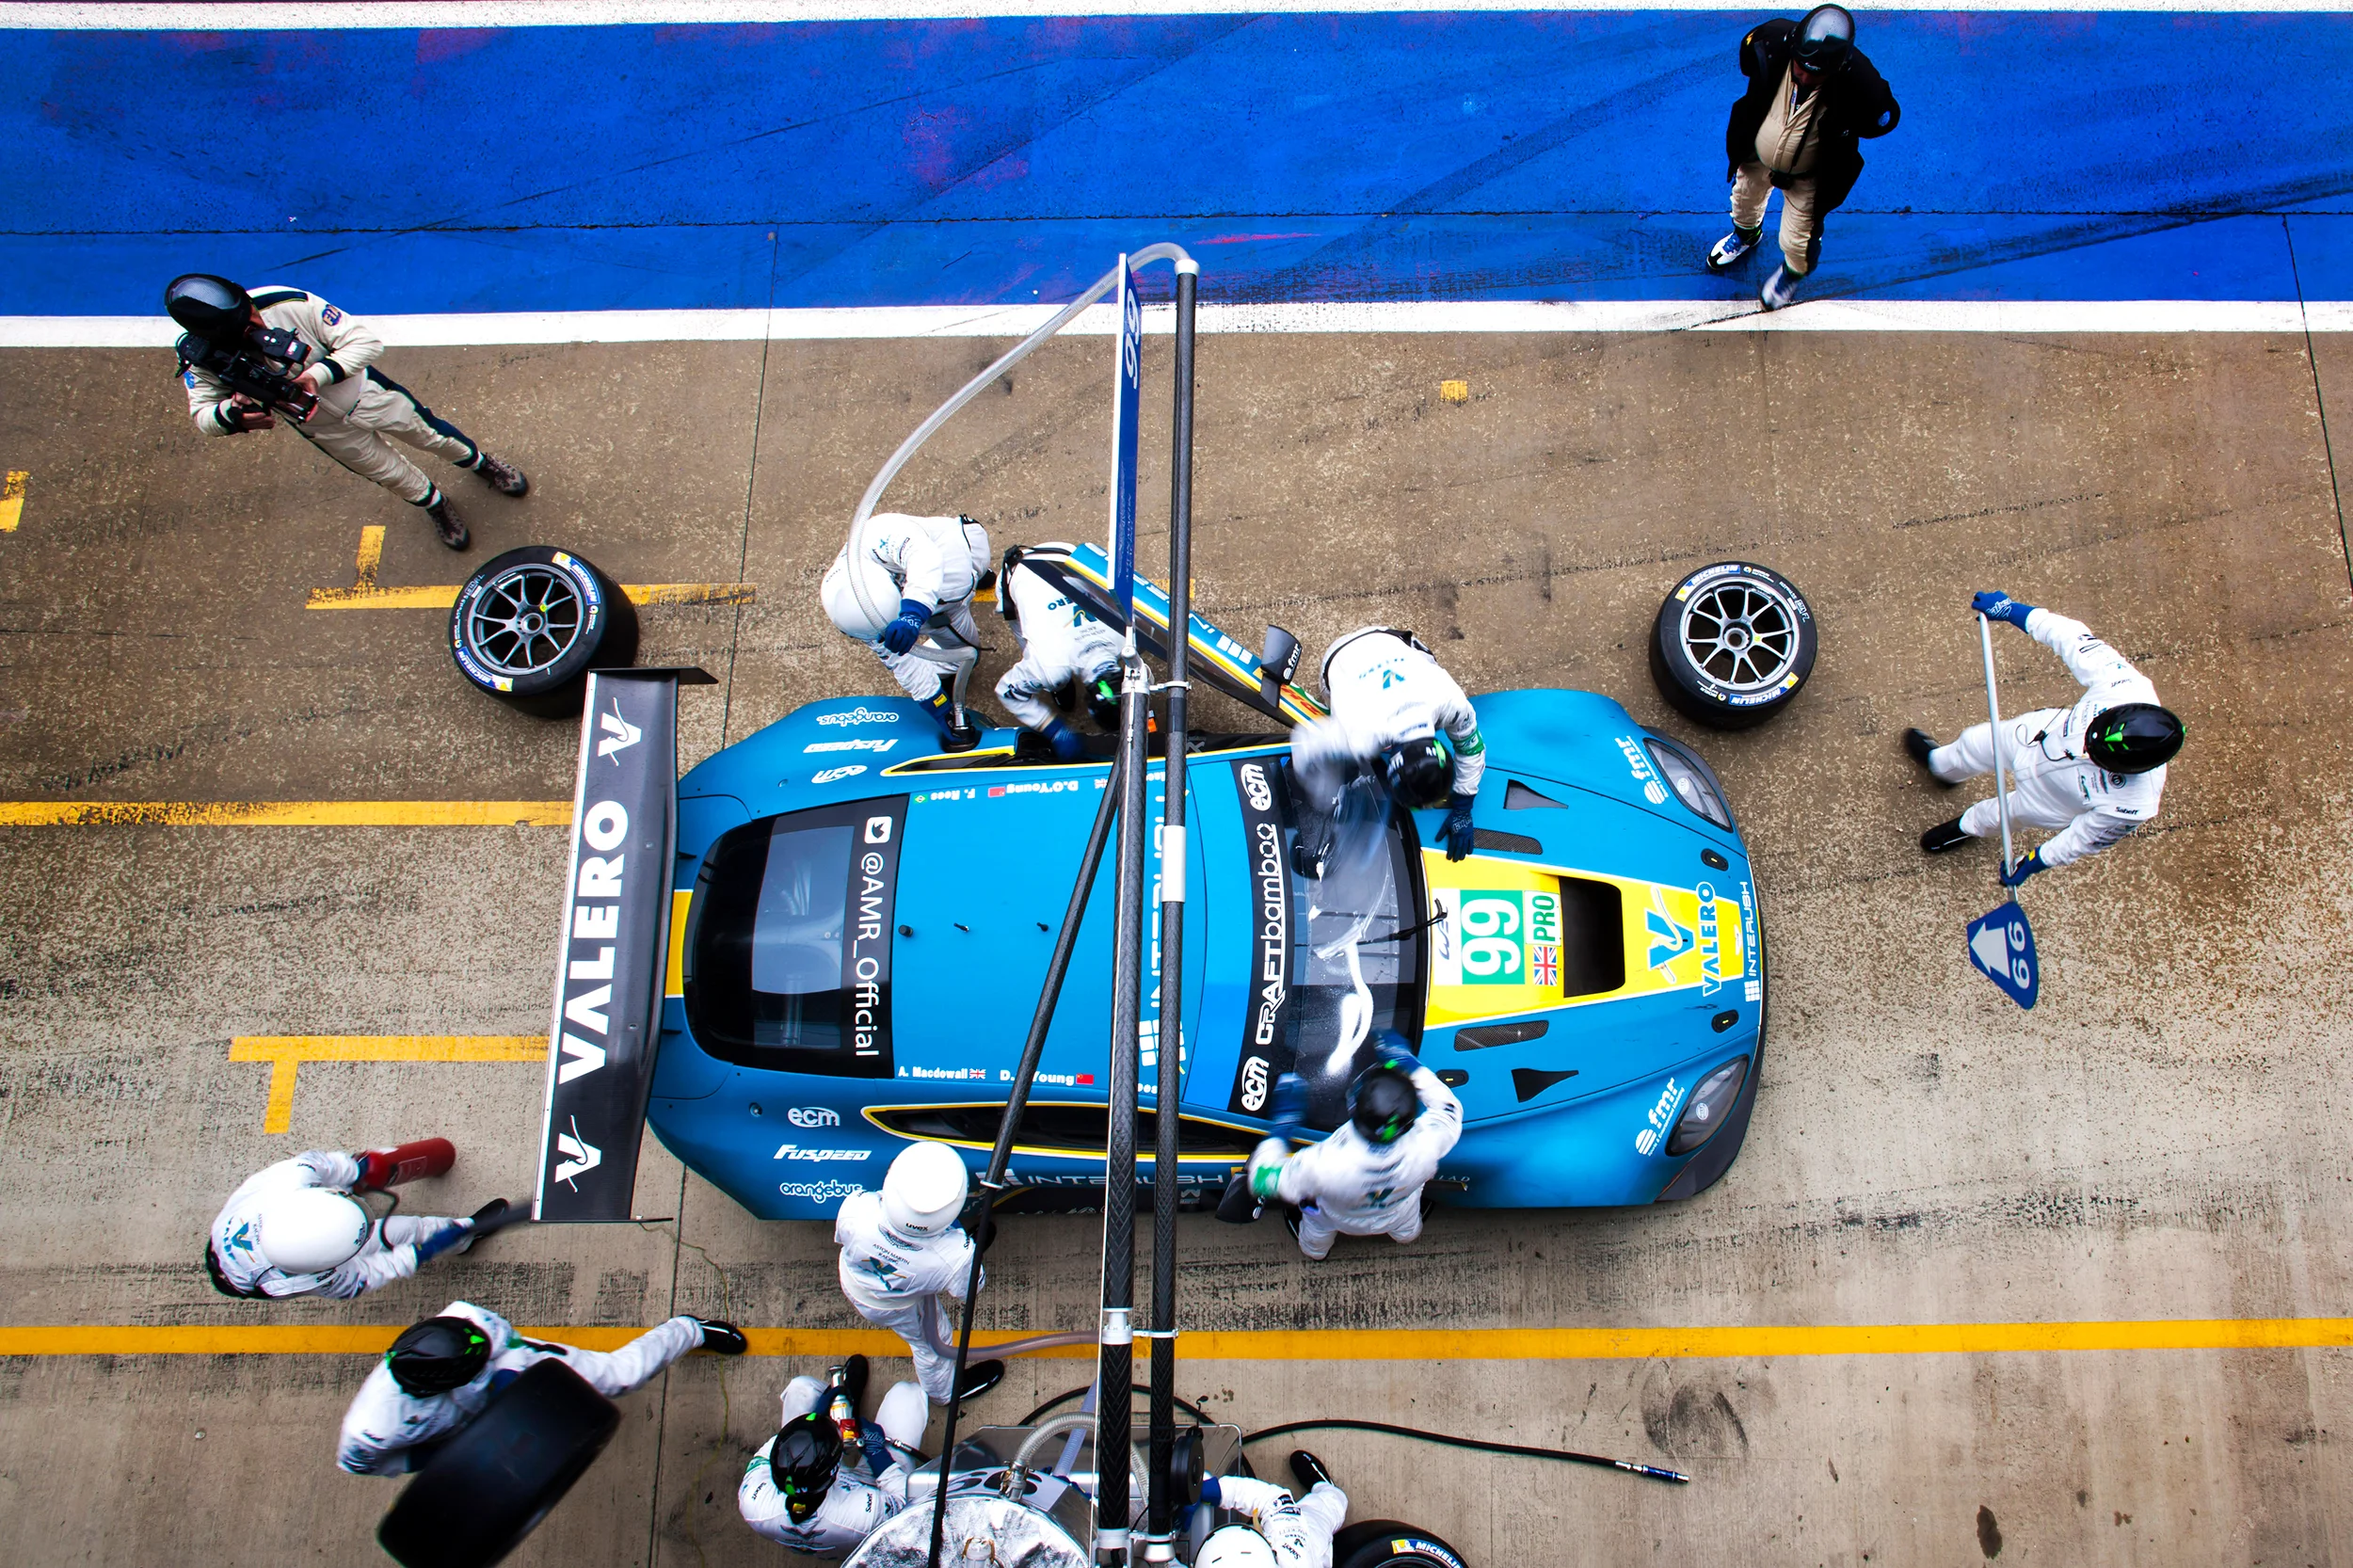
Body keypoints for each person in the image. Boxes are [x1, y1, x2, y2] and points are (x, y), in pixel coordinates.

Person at [164, 274, 527, 551]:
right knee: (389, 473)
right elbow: (203, 416)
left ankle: (481, 464)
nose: (257, 326)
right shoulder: (201, 358)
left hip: (367, 394)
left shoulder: (288, 302)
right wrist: (232, 414)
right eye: (244, 330)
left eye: (252, 316)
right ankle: (434, 503)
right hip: (322, 428)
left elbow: (365, 342)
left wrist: (318, 374)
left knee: (433, 436)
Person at [1907, 593, 2183, 884]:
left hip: (2049, 801)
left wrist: (2033, 863)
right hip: (2033, 736)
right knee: (1973, 743)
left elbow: (2082, 839)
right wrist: (2013, 610)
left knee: (2000, 816)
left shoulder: (2135, 803)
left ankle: (1964, 827)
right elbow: (2071, 638)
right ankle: (1941, 767)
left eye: (2097, 755)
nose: (2085, 750)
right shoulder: (2124, 686)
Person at [337, 1300, 747, 1475]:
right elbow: (369, 1465)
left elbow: (509, 1348)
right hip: (460, 1435)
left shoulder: (465, 1319)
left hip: (510, 1372)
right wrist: (448, 1458)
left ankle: (688, 1329)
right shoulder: (371, 1428)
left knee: (621, 1377)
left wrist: (509, 1387)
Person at [1705, 5, 1899, 310]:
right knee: (1743, 199)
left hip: (1811, 175)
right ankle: (1746, 235)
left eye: (1815, 74)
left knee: (1799, 241)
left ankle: (1790, 276)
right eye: (1801, 67)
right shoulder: (1770, 40)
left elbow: (1882, 118)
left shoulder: (1862, 85)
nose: (1805, 77)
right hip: (1757, 155)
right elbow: (1748, 62)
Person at [206, 1142, 516, 1301]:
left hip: (238, 1236)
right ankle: (465, 1237)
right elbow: (368, 1274)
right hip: (247, 1275)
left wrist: (357, 1170)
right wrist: (416, 1254)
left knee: (363, 1170)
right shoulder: (301, 1279)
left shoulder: (286, 1180)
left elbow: (321, 1163)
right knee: (409, 1232)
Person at [1246, 1042, 1463, 1262]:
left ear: (1353, 1108)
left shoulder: (1325, 1164)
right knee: (1407, 1229)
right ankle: (1405, 1237)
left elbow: (1261, 1178)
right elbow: (1448, 1108)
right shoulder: (1425, 1146)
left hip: (1336, 1216)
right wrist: (1409, 1063)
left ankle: (1316, 1253)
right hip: (1398, 1211)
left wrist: (1282, 1126)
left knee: (1315, 1236)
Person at [1290, 628, 1487, 868]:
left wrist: (1464, 806)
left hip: (1388, 638)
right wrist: (1325, 799)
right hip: (1339, 654)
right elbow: (1304, 742)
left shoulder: (1451, 701)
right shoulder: (1358, 737)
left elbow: (1472, 749)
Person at [834, 1141, 1004, 1408]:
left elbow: (845, 1239)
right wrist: (960, 1253)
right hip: (897, 1306)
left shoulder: (856, 1210)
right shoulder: (955, 1259)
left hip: (856, 1282)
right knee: (933, 1345)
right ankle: (943, 1394)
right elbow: (968, 1289)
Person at [823, 513, 995, 752]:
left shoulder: (879, 535)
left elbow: (925, 557)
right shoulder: (857, 610)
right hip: (929, 607)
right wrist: (940, 708)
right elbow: (901, 663)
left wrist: (913, 614)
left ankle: (980, 573)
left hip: (961, 557)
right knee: (959, 655)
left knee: (967, 654)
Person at [738, 1354, 930, 1556]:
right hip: (859, 1498)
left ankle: (844, 1400)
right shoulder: (864, 1514)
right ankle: (846, 1404)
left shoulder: (752, 1501)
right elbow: (906, 1508)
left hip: (834, 1515)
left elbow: (772, 1449)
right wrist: (877, 1453)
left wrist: (817, 1419)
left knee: (801, 1388)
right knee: (906, 1393)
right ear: (835, 1470)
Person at [994, 544, 1123, 761]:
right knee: (1042, 663)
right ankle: (1059, 687)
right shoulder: (1049, 666)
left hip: (1064, 552)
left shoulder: (1126, 636)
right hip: (1019, 572)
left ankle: (1060, 686)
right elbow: (1006, 691)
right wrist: (1051, 727)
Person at [1197, 1451, 1349, 1568]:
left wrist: (1216, 1490)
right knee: (1334, 1502)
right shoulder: (1294, 1547)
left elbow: (1270, 1499)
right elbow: (1274, 1500)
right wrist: (1219, 1491)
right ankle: (1327, 1489)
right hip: (1310, 1546)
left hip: (1291, 1546)